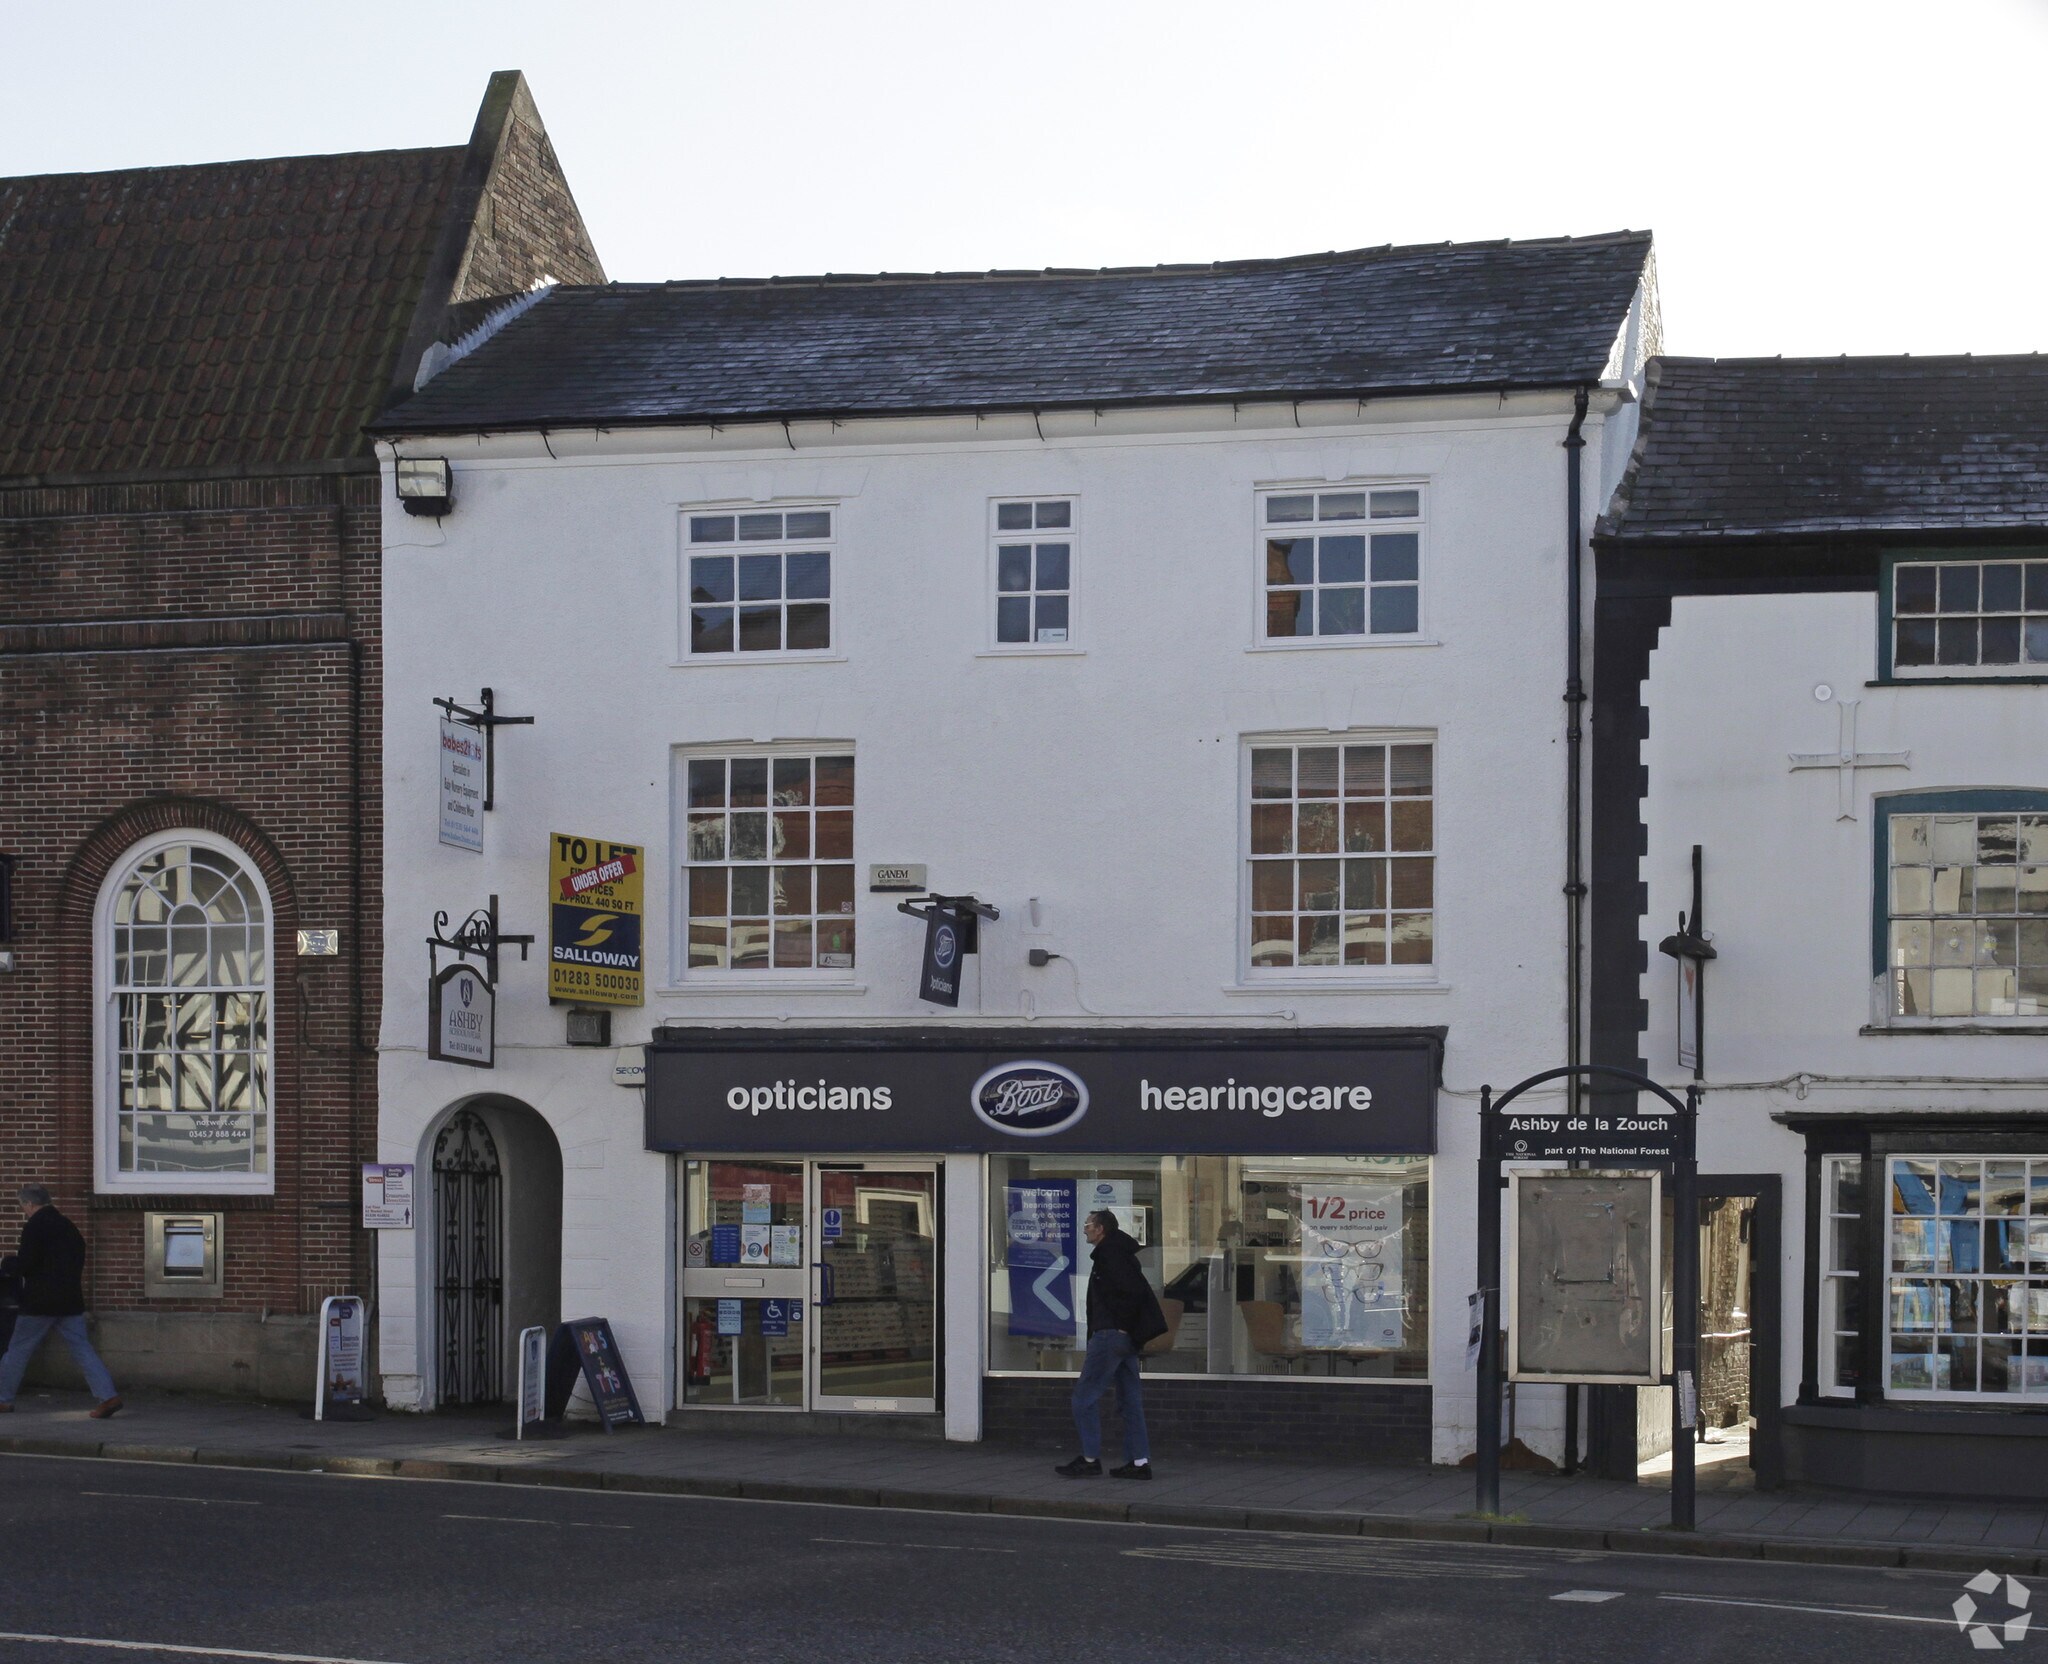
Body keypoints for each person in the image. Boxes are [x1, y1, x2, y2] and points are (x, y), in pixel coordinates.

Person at [1056, 1208, 1166, 1480]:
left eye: (1088, 1225)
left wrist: (1120, 1325)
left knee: (1083, 1398)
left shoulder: (1110, 1254)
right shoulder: (1118, 1252)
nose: (1085, 1229)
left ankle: (1090, 1459)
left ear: (1100, 1229)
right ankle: (1139, 1462)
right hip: (1123, 1338)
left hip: (1110, 1336)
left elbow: (1130, 1292)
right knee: (1129, 1400)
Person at [0, 1184, 121, 1419]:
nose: (24, 1210)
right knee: (82, 1349)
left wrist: (7, 1263)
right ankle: (108, 1396)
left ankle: (3, 1399)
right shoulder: (67, 1226)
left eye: (23, 1206)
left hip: (39, 1302)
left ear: (29, 1204)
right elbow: (78, 1256)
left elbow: (27, 1264)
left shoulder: (34, 1226)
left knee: (17, 1351)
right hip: (70, 1300)